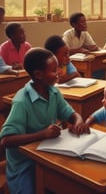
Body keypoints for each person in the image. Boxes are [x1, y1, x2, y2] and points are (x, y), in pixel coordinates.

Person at [0, 48, 87, 194]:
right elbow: (6, 140)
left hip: (47, 156)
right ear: (38, 75)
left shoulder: (53, 92)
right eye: (54, 70)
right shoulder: (22, 101)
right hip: (25, 163)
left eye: (58, 67)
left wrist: (78, 122)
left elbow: (72, 114)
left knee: (73, 181)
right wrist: (42, 134)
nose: (59, 72)